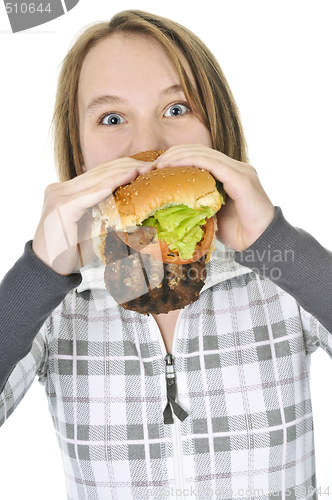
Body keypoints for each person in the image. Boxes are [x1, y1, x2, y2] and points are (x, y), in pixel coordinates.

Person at [0, 9, 331, 500]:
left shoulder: (283, 274)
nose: (148, 146)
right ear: (81, 154)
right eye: (111, 118)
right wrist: (39, 272)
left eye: (176, 109)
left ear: (215, 129)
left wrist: (277, 244)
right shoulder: (55, 302)